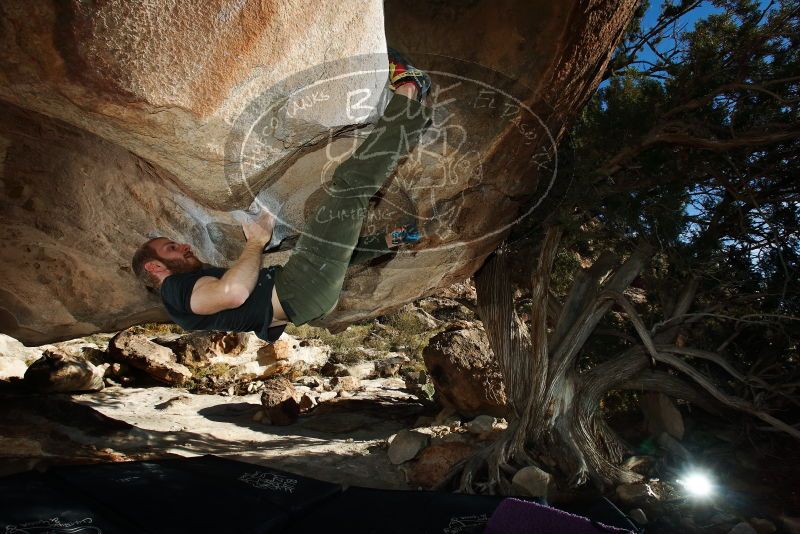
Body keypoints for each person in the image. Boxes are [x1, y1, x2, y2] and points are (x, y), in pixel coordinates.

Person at [131, 50, 432, 343]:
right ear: (154, 267)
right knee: (351, 184)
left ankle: (391, 238)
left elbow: (331, 256)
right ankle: (410, 89)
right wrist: (256, 242)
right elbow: (233, 293)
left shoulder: (185, 297)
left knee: (329, 236)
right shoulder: (174, 291)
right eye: (171, 248)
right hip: (299, 289)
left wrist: (384, 242)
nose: (183, 246)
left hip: (306, 295)